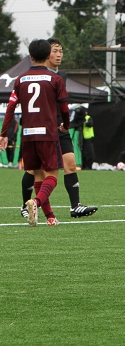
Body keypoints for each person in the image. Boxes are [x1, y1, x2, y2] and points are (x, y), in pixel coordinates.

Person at [20, 38, 98, 219]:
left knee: (70, 164)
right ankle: (26, 206)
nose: (59, 54)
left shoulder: (60, 76)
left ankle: (75, 206)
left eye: (61, 50)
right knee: (33, 170)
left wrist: (66, 122)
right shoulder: (36, 76)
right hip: (41, 129)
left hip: (60, 128)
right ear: (46, 54)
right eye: (55, 50)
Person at [1, 39, 70, 227]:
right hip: (47, 133)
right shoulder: (55, 79)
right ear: (48, 56)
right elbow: (64, 107)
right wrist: (67, 123)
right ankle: (36, 202)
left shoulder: (20, 79)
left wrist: (4, 133)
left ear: (30, 57)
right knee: (52, 176)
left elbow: (11, 107)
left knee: (38, 175)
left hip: (28, 135)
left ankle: (50, 217)